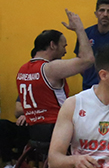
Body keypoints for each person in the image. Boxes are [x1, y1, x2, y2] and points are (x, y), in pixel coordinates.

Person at [16, 10, 95, 146]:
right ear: (53, 45)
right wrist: (79, 29)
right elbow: (88, 60)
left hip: (34, 132)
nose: (65, 51)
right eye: (64, 46)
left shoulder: (22, 70)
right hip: (57, 129)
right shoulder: (50, 69)